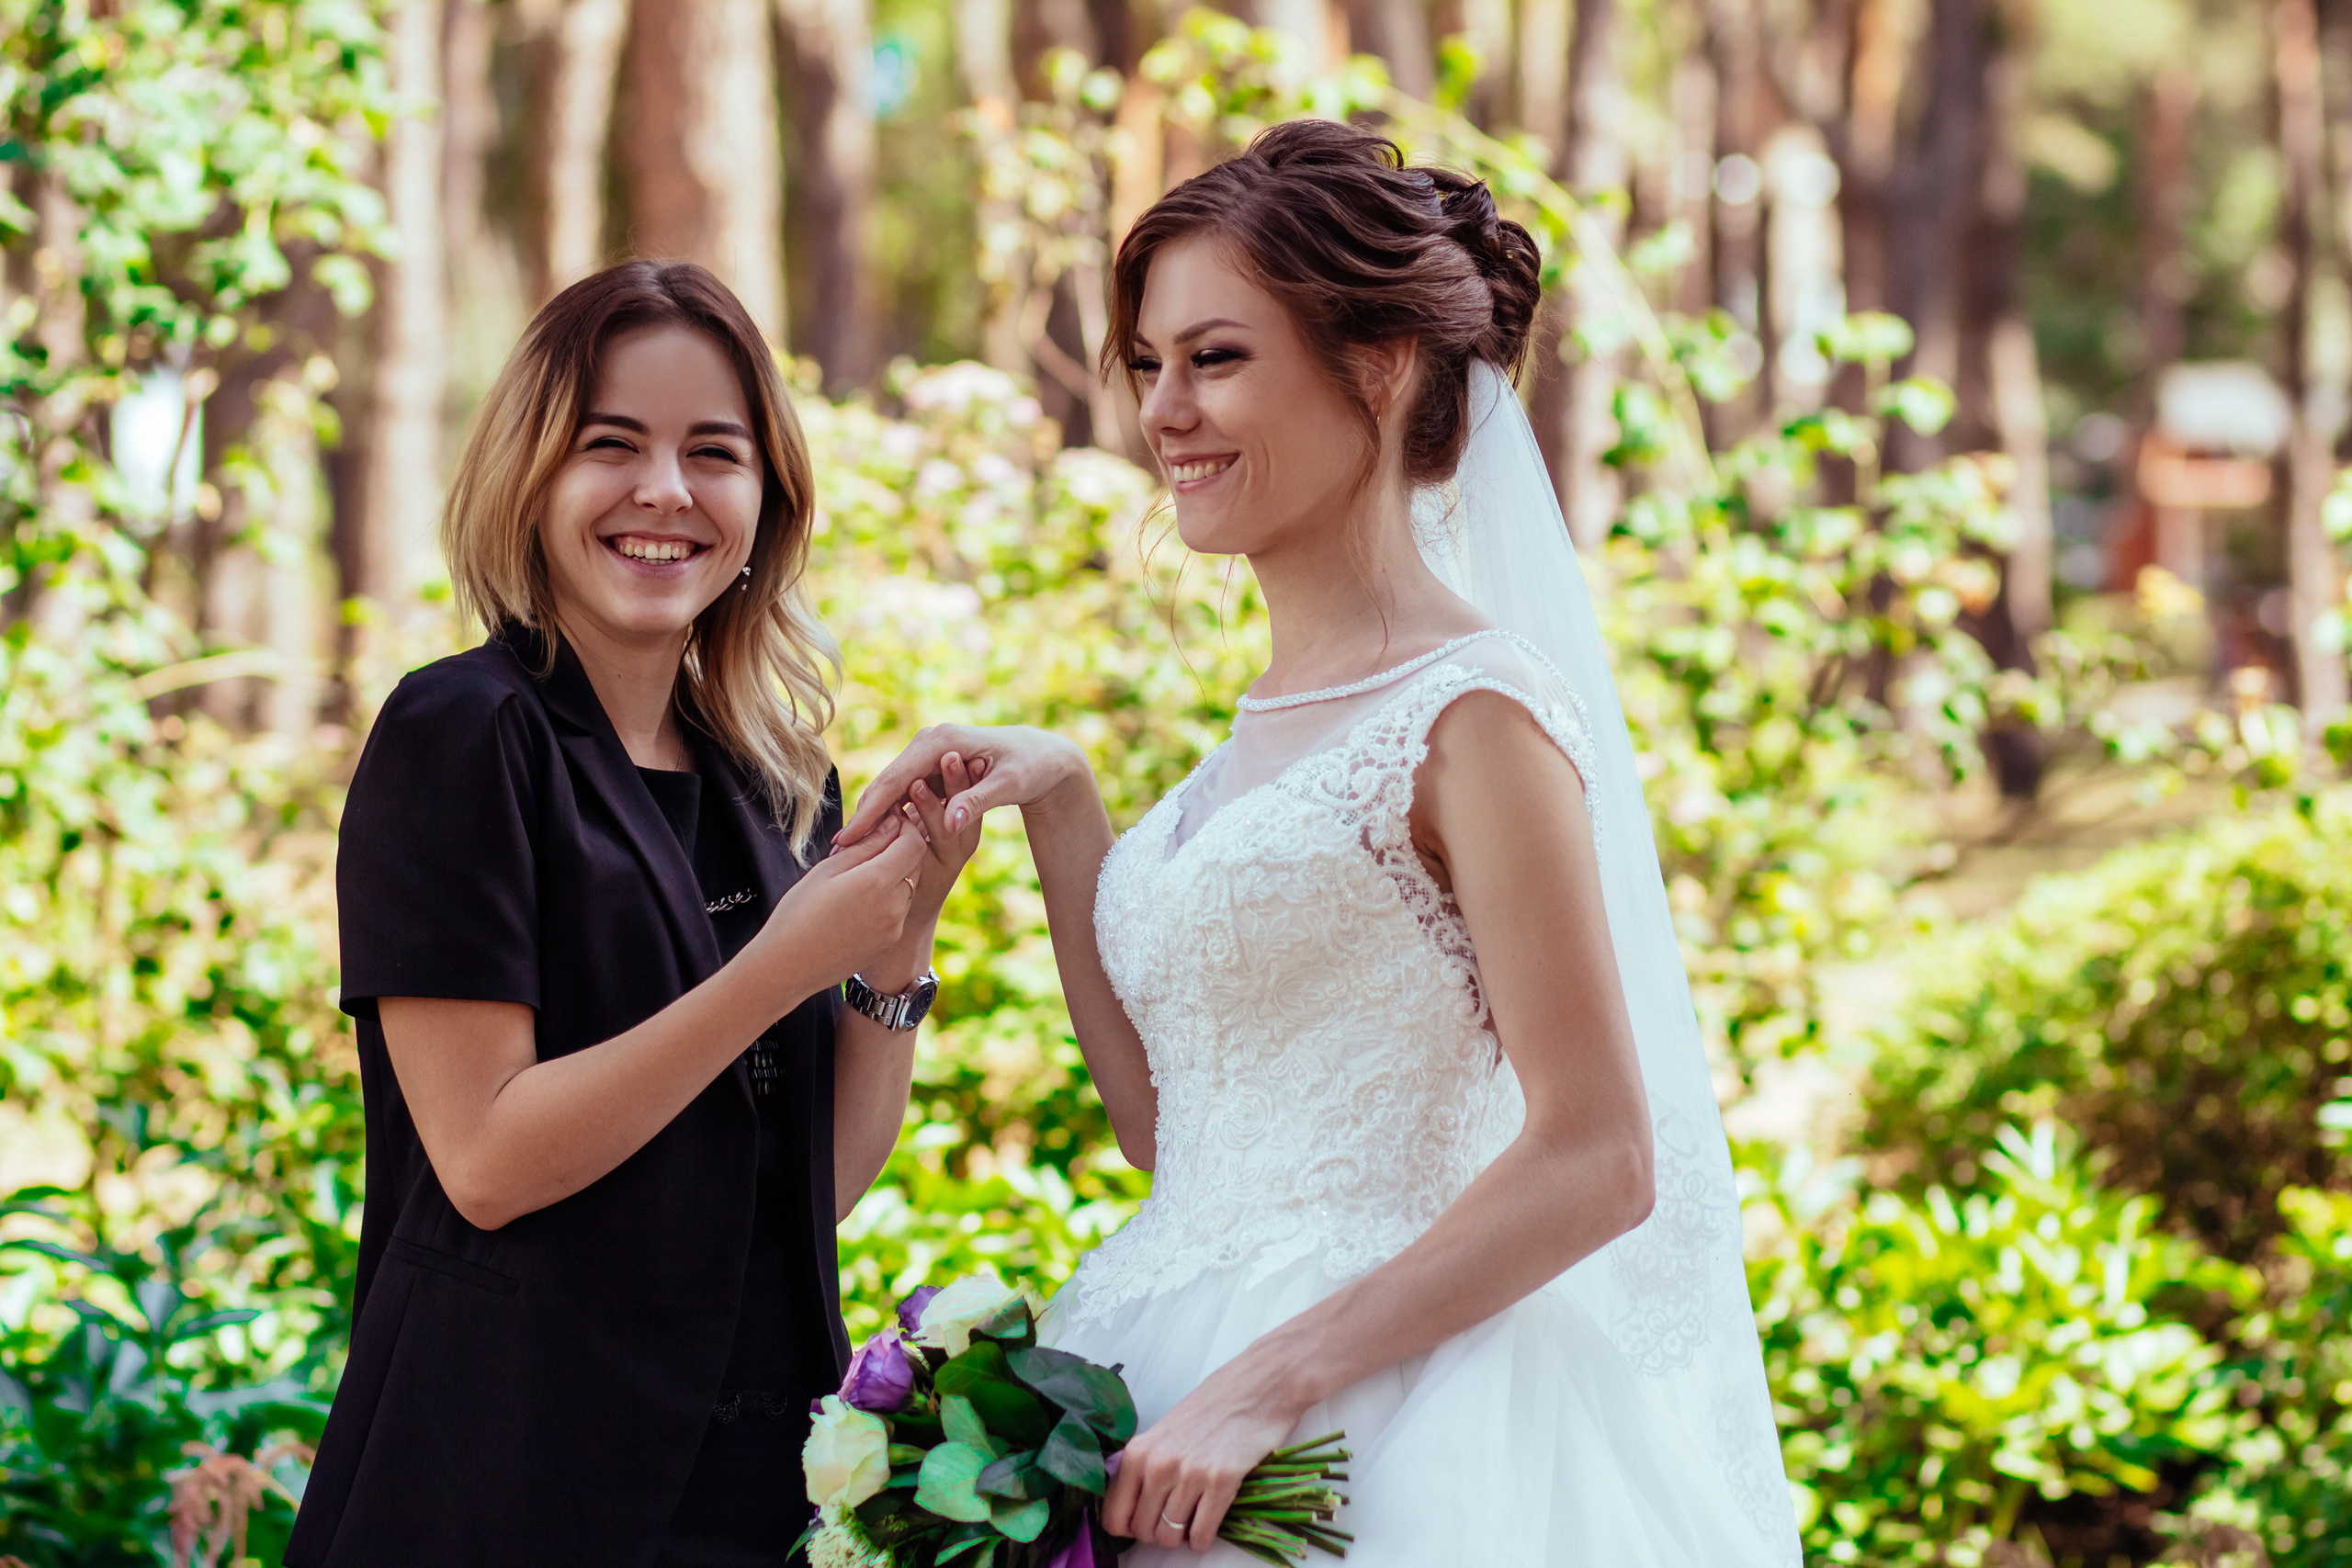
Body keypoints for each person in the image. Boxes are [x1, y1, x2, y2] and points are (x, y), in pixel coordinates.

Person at [837, 124, 1801, 1564]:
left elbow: (1601, 1155)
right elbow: (1188, 1141)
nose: (1165, 409)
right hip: (1164, 1360)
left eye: (1216, 358)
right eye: (1149, 363)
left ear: (1383, 366)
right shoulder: (1260, 732)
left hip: (1391, 1420)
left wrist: (1270, 1380)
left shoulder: (1474, 713)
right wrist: (1067, 808)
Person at [288, 261, 983, 1568]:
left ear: (764, 495)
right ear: (532, 475)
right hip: (511, 1483)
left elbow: (803, 1190)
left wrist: (892, 955)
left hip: (756, 1486)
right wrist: (782, 969)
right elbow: (486, 1161)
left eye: (713, 452)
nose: (666, 492)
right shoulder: (463, 734)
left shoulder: (773, 776)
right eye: (614, 446)